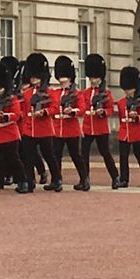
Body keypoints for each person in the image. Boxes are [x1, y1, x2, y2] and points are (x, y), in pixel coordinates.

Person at [0, 61, 26, 194]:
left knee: (13, 160)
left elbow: (16, 115)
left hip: (8, 134)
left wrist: (5, 116)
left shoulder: (11, 99)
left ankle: (22, 181)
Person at [18, 52, 58, 195]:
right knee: (28, 157)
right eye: (32, 76)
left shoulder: (49, 92)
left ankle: (57, 179)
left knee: (49, 155)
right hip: (29, 129)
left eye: (36, 76)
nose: (33, 79)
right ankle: (30, 182)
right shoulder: (27, 93)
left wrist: (44, 112)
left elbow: (54, 108)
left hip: (44, 129)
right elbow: (22, 109)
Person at [80, 53, 120, 190]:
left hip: (100, 127)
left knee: (105, 153)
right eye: (91, 77)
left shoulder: (106, 93)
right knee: (83, 153)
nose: (93, 80)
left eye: (95, 78)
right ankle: (85, 179)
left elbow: (110, 108)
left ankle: (115, 177)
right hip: (87, 127)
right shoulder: (85, 93)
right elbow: (82, 107)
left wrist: (103, 112)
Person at [50, 55, 89, 191]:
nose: (62, 81)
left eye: (64, 79)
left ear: (70, 79)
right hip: (57, 129)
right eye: (60, 79)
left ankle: (84, 179)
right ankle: (56, 180)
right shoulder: (55, 93)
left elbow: (82, 109)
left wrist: (72, 111)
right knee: (56, 156)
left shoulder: (77, 94)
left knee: (75, 156)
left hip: (71, 129)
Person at [116, 65, 140, 188]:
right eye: (126, 89)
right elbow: (121, 118)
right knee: (123, 157)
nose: (127, 91)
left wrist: (137, 117)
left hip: (137, 132)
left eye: (129, 88)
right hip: (124, 133)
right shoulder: (121, 103)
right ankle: (124, 179)